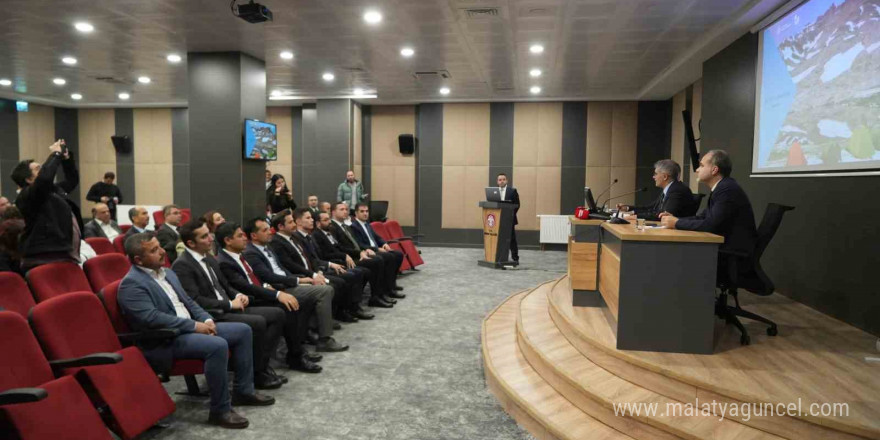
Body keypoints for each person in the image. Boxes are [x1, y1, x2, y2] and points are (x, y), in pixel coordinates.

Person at [117, 232, 275, 429]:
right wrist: (194, 326)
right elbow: (151, 318)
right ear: (138, 259)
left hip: (188, 329)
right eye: (154, 250)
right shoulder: (131, 284)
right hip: (165, 339)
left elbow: (189, 302)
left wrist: (206, 320)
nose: (162, 252)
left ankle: (244, 391)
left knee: (243, 330)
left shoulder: (168, 273)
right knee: (217, 345)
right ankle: (220, 410)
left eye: (160, 247)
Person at [170, 220, 287, 388]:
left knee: (277, 314)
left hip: (227, 305)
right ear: (190, 243)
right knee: (258, 322)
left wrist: (238, 295)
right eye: (204, 237)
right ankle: (257, 373)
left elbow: (225, 285)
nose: (211, 239)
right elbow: (195, 300)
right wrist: (230, 304)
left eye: (209, 234)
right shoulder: (182, 265)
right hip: (213, 313)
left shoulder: (208, 257)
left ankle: (260, 366)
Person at [216, 221, 349, 354]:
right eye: (240, 236)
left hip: (270, 288)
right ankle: (297, 351)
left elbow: (263, 276)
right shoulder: (230, 260)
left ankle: (304, 339)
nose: (245, 238)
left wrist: (280, 284)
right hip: (252, 298)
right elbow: (247, 285)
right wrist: (280, 292)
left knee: (308, 298)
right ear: (228, 240)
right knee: (291, 305)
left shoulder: (243, 254)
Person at [269, 209, 372, 323]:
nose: (312, 220)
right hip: (303, 275)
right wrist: (315, 274)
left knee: (351, 275)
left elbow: (312, 259)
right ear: (281, 226)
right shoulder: (281, 241)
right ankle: (337, 313)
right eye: (291, 222)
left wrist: (319, 271)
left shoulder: (295, 238)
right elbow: (291, 265)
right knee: (340, 281)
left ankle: (348, 309)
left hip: (316, 270)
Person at [660, 149, 757, 258]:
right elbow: (703, 217)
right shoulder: (722, 188)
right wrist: (677, 219)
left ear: (714, 170)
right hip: (727, 246)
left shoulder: (727, 190)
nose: (697, 170)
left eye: (701, 166)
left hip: (733, 252)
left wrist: (676, 223)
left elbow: (711, 225)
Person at [12, 139, 84, 271]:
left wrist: (66, 159)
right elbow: (44, 179)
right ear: (28, 179)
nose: (44, 169)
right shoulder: (27, 195)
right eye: (39, 168)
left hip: (63, 252)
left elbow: (72, 180)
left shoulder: (53, 190)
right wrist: (55, 155)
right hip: (44, 256)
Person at [317, 208, 395, 308]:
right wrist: (352, 254)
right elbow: (335, 251)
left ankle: (381, 293)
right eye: (342, 209)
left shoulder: (340, 228)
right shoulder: (328, 231)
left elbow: (342, 247)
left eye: (346, 209)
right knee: (373, 263)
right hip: (340, 260)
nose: (345, 211)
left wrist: (362, 251)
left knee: (387, 257)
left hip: (350, 256)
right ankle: (367, 299)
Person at [350, 203, 406, 292]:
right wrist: (376, 249)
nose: (365, 213)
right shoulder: (354, 226)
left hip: (376, 249)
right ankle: (387, 288)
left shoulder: (367, 224)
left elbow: (377, 237)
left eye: (367, 211)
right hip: (368, 251)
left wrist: (384, 244)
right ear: (356, 213)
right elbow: (359, 244)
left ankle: (391, 283)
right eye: (362, 211)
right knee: (389, 257)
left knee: (398, 254)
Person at [618, 159, 698, 221]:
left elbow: (662, 215)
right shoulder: (670, 188)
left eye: (656, 174)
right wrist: (628, 208)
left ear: (665, 177)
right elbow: (651, 208)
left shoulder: (677, 190)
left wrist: (635, 217)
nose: (653, 177)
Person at [496, 173, 520, 263]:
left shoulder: (512, 191)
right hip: (497, 220)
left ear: (507, 181)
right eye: (500, 180)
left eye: (503, 179)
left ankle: (515, 258)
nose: (502, 181)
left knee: (512, 240)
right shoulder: (494, 192)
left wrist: (510, 215)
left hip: (509, 219)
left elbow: (517, 205)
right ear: (497, 182)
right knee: (498, 239)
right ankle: (498, 257)